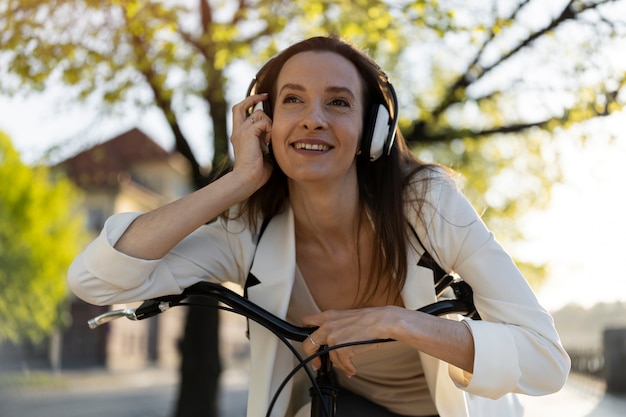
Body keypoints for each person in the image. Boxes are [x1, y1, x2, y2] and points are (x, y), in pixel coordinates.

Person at [68, 35, 570, 417]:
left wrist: (395, 321)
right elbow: (97, 280)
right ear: (263, 123)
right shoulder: (247, 227)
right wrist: (237, 179)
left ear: (371, 133)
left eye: (338, 102)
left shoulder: (427, 202)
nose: (313, 119)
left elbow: (547, 361)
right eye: (292, 100)